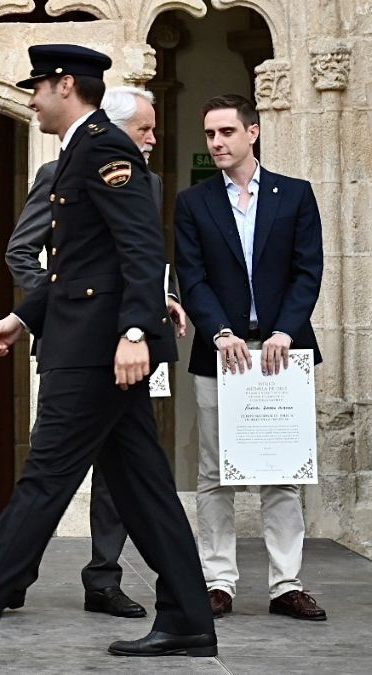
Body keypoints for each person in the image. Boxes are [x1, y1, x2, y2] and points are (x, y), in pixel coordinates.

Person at [0, 45, 216, 658]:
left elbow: (141, 248)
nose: (32, 99)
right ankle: (189, 620)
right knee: (145, 489)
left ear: (65, 85)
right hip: (85, 340)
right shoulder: (78, 151)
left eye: (37, 87)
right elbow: (76, 267)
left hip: (97, 352)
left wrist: (135, 333)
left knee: (46, 476)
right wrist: (22, 317)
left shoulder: (105, 147)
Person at [2, 85, 188, 619]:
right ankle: (11, 577)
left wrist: (160, 302)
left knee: (121, 471)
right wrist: (59, 310)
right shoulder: (56, 173)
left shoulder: (148, 181)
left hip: (130, 345)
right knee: (51, 462)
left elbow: (139, 256)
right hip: (75, 344)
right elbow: (24, 253)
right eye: (144, 130)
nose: (152, 141)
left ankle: (104, 579)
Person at [174, 94, 326, 621]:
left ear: (252, 132)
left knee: (282, 471)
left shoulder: (296, 195)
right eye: (209, 134)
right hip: (221, 354)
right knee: (215, 471)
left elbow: (308, 270)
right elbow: (192, 276)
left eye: (226, 132)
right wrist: (219, 332)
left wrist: (285, 331)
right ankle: (218, 583)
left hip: (284, 353)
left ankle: (287, 585)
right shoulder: (193, 203)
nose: (216, 142)